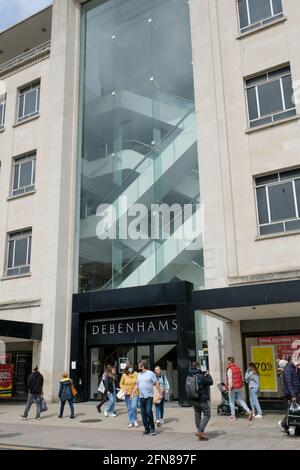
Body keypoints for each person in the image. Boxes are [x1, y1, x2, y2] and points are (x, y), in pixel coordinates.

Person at [131, 360, 162, 436]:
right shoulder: (139, 374)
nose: (138, 366)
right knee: (143, 413)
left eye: (139, 364)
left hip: (149, 396)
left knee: (148, 411)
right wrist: (132, 393)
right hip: (141, 397)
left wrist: (160, 393)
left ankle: (152, 428)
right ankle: (146, 429)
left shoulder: (150, 373)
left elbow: (156, 383)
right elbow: (137, 385)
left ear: (143, 365)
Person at [188, 362, 213, 440]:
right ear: (198, 367)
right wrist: (208, 375)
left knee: (197, 414)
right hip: (201, 399)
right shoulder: (200, 376)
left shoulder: (189, 375)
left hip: (193, 399)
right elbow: (210, 382)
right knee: (207, 414)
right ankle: (200, 430)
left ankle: (200, 433)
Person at [278, 357, 300, 434]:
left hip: (295, 392)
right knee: (293, 410)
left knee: (294, 410)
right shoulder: (288, 369)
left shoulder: (293, 368)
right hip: (291, 393)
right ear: (291, 361)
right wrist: (293, 395)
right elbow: (289, 383)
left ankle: (288, 424)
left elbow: (296, 380)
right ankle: (284, 423)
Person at [226, 357, 251, 421]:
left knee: (231, 401)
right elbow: (240, 377)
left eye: (227, 361)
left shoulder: (229, 369)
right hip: (239, 387)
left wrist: (229, 388)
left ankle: (233, 416)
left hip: (233, 387)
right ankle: (249, 412)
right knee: (240, 399)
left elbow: (230, 379)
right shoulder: (237, 368)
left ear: (229, 362)